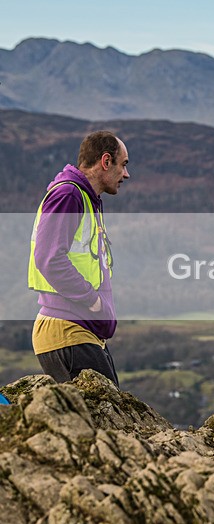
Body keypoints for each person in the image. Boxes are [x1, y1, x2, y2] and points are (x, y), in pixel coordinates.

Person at [28, 131, 130, 387]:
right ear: (106, 161)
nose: (126, 174)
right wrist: (93, 301)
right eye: (123, 164)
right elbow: (49, 258)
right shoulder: (68, 196)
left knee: (110, 419)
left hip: (80, 333)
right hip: (68, 333)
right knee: (108, 422)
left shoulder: (85, 199)